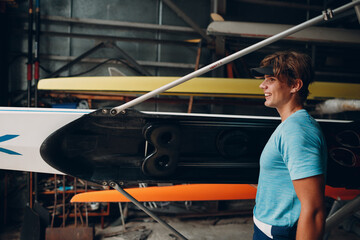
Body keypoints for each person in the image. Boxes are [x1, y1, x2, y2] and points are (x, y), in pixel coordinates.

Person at [250, 51, 327, 240]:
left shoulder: (297, 132)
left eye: (271, 79)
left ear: (295, 85)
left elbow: (314, 209)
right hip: (267, 229)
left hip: (280, 234)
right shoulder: (290, 125)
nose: (262, 85)